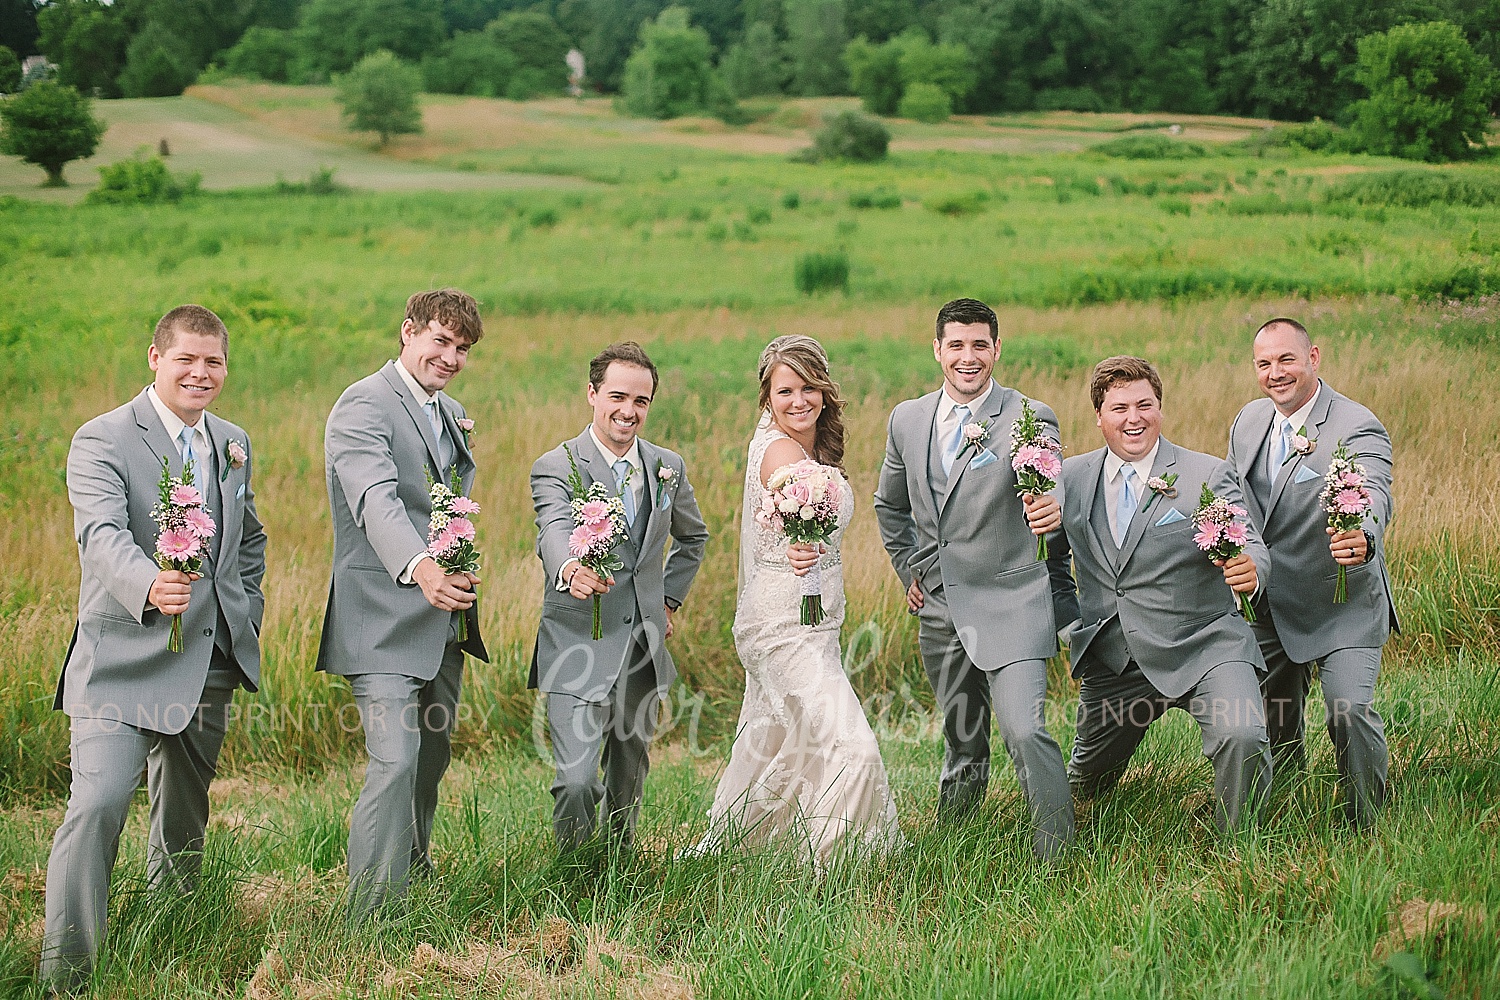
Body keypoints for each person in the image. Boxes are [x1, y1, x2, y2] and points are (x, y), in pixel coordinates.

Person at [42, 305, 266, 987]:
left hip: (208, 662)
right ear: (155, 358)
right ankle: (68, 974)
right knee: (100, 803)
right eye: (186, 360)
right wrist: (150, 585)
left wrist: (243, 607)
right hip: (122, 660)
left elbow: (248, 537)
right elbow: (101, 536)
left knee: (183, 818)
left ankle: (169, 947)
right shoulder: (103, 438)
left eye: (214, 362)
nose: (201, 373)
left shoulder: (232, 441)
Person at [873, 298, 1076, 860]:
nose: (968, 357)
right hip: (939, 608)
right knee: (963, 737)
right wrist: (909, 569)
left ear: (997, 350)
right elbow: (889, 506)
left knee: (1023, 729)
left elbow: (1051, 480)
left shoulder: (1029, 415)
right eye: (956, 345)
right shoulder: (907, 419)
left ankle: (1055, 852)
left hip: (1013, 599)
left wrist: (1049, 506)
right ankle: (954, 841)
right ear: (937, 349)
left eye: (979, 346)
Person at [692, 335, 903, 864]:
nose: (799, 400)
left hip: (817, 624)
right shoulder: (782, 453)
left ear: (825, 392)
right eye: (785, 390)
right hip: (784, 625)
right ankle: (832, 864)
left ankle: (740, 852)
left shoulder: (813, 446)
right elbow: (787, 492)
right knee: (850, 745)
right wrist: (800, 537)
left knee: (785, 745)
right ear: (767, 398)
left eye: (810, 387)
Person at [317, 288, 489, 919]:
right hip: (383, 615)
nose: (450, 357)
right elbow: (375, 499)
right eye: (440, 341)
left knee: (429, 760)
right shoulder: (362, 404)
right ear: (407, 333)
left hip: (444, 616)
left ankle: (411, 881)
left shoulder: (450, 410)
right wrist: (420, 567)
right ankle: (371, 917)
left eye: (462, 348)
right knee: (394, 761)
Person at [1055, 356, 1272, 831]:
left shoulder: (1206, 474)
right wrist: (1071, 624)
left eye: (1144, 405)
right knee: (1085, 786)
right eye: (1119, 408)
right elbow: (1049, 562)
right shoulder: (1068, 479)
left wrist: (1252, 570)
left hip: (1204, 645)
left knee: (1243, 736)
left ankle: (1241, 848)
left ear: (1160, 407)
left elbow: (1250, 541)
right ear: (1099, 416)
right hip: (1116, 657)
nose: (1134, 418)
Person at [530, 342, 708, 852]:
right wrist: (569, 566)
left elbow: (694, 538)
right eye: (617, 397)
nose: (629, 412)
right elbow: (553, 528)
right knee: (577, 780)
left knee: (627, 779)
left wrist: (668, 602)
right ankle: (575, 873)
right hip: (576, 641)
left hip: (641, 648)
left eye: (642, 401)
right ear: (591, 394)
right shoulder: (557, 464)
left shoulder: (667, 465)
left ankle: (617, 869)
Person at [1227, 318, 1396, 829]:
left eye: (1286, 360)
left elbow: (1374, 493)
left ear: (1314, 358)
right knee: (1271, 720)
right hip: (1270, 602)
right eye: (1264, 363)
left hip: (1340, 600)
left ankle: (1368, 825)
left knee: (1347, 711)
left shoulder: (1355, 425)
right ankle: (1288, 810)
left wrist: (1362, 537)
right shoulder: (1248, 420)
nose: (1275, 373)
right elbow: (1235, 495)